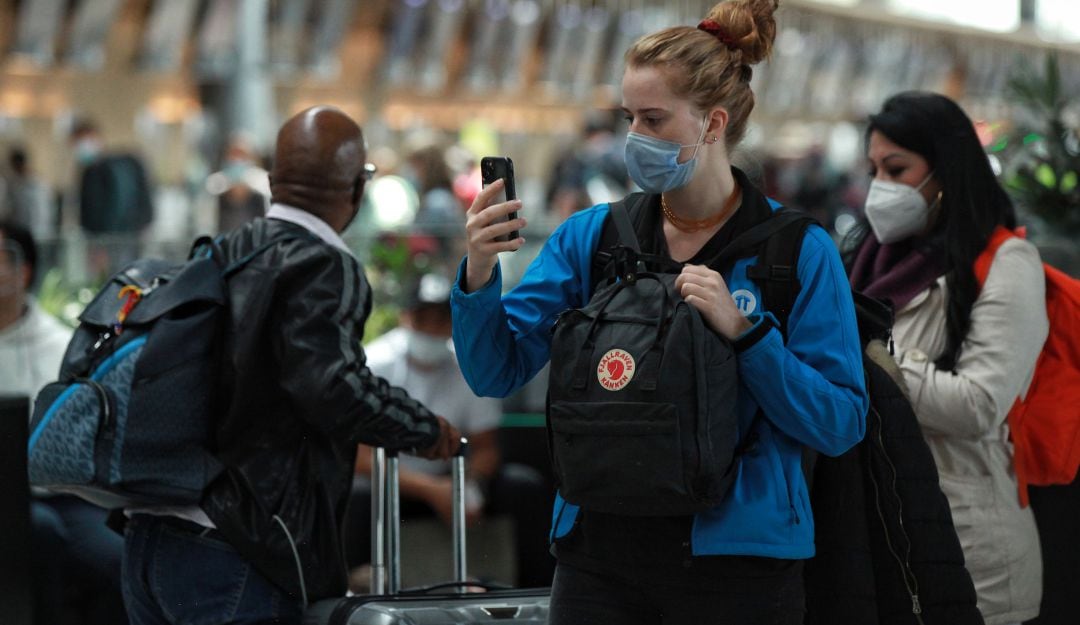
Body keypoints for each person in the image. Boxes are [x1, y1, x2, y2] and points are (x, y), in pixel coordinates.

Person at [451, 2, 868, 623]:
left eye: (653, 118)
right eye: (629, 118)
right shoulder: (593, 238)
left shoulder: (795, 252)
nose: (634, 139)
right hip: (599, 556)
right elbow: (496, 371)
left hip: (738, 566)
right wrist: (480, 272)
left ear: (712, 122)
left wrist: (749, 337)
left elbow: (840, 421)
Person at [120, 106, 462, 625]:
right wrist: (422, 428)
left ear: (274, 180)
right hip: (240, 544)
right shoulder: (323, 263)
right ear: (356, 187)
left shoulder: (222, 252)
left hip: (152, 538)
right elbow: (330, 386)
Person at [847, 91, 1047, 625]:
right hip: (878, 538)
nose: (881, 188)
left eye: (897, 168)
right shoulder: (860, 259)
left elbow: (980, 404)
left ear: (945, 169)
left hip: (971, 554)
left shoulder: (1006, 264)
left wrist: (875, 357)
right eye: (874, 170)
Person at [343, 272, 555, 588]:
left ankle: (534, 592)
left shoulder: (466, 367)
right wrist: (432, 490)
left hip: (452, 476)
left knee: (522, 486)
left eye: (440, 319)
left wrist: (468, 486)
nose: (431, 329)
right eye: (422, 318)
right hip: (392, 483)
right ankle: (351, 586)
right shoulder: (376, 363)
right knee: (355, 494)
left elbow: (486, 446)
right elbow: (360, 458)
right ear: (406, 317)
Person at [0, 221, 129, 625]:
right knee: (40, 532)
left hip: (61, 494)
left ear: (25, 271)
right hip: (10, 499)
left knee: (120, 556)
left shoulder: (58, 345)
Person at [70, 118, 154, 277]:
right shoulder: (93, 169)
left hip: (112, 241)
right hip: (114, 240)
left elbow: (114, 206)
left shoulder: (105, 169)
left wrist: (103, 241)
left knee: (117, 280)